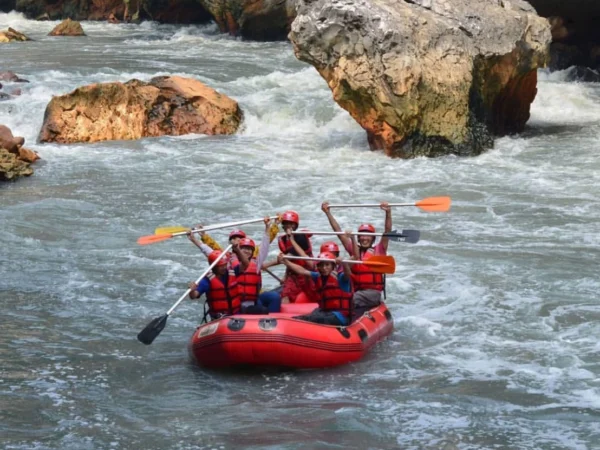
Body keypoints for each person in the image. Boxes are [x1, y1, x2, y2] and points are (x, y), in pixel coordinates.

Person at [321, 201, 392, 316]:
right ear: (358, 238)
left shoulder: (379, 250)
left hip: (372, 293)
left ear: (373, 238)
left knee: (349, 300)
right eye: (362, 236)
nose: (364, 238)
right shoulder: (353, 249)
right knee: (336, 297)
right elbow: (339, 232)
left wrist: (388, 213)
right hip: (356, 290)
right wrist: (328, 213)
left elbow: (387, 231)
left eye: (368, 235)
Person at [279, 252, 353, 326]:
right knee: (305, 317)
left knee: (314, 318)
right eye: (321, 265)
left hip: (340, 316)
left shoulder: (340, 278)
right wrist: (286, 262)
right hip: (325, 311)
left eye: (327, 265)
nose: (324, 268)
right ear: (318, 267)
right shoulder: (317, 276)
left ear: (332, 266)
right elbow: (302, 271)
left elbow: (348, 274)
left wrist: (344, 264)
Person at [188, 246, 248, 321]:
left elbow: (245, 264)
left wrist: (237, 249)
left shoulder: (231, 272)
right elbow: (194, 296)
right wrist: (192, 290)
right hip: (219, 319)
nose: (223, 268)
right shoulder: (207, 281)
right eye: (220, 266)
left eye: (225, 265)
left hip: (236, 315)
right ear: (213, 267)